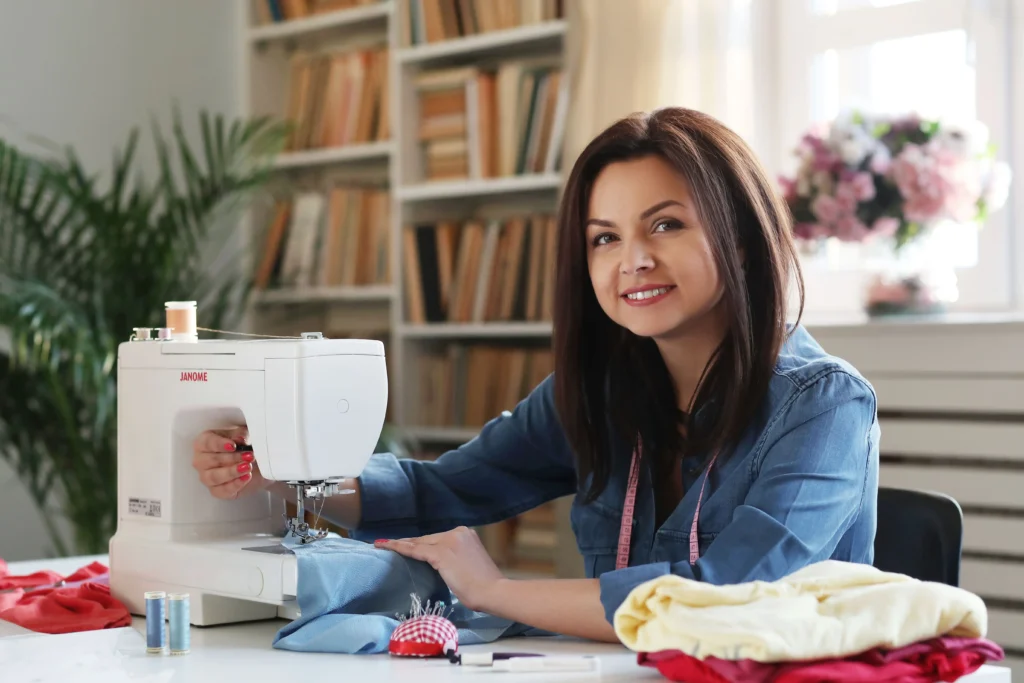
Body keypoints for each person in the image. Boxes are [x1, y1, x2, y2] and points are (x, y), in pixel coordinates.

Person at [192, 107, 880, 644]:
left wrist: (493, 588)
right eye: (604, 237)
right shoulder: (604, 390)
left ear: (740, 233)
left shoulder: (823, 404)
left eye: (665, 224)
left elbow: (721, 596)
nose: (631, 260)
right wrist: (282, 472)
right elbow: (443, 490)